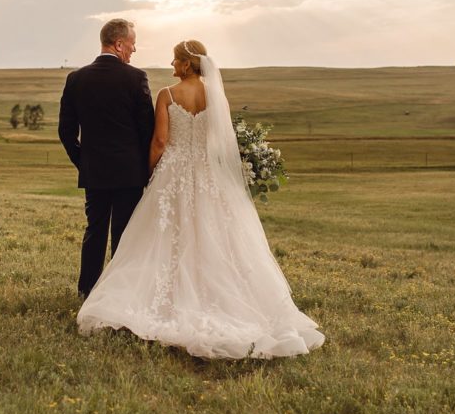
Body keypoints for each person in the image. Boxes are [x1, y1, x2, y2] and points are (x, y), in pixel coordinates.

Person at [77, 40, 325, 359]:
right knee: (217, 236)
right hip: (208, 175)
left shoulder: (167, 94)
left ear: (186, 63)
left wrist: (150, 174)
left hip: (174, 173)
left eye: (175, 60)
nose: (171, 64)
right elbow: (219, 141)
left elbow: (161, 141)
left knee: (163, 237)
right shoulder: (216, 96)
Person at [58, 19, 155, 298]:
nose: (134, 50)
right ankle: (120, 293)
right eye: (132, 44)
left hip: (95, 172)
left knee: (95, 231)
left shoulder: (76, 79)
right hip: (129, 174)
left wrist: (83, 161)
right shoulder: (136, 78)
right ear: (119, 44)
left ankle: (87, 290)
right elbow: (146, 128)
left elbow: (66, 131)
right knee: (124, 235)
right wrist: (143, 166)